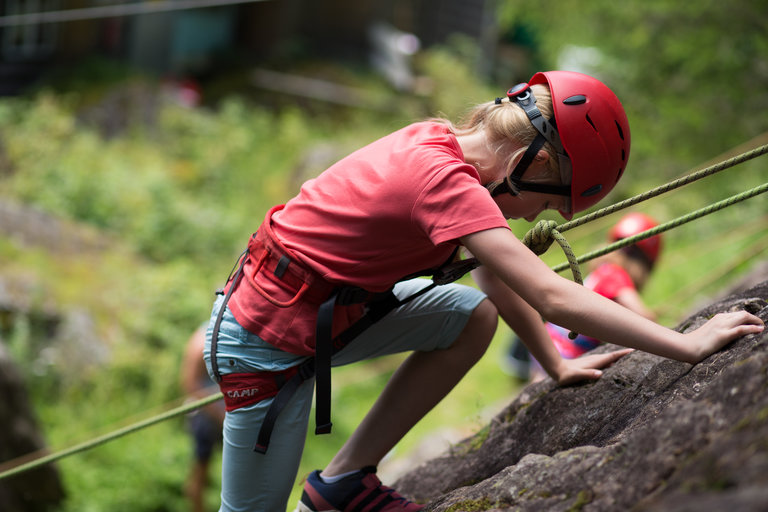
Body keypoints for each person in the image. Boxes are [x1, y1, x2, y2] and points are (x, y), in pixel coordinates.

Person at [202, 70, 764, 512]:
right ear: (534, 161)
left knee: (471, 316)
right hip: (264, 345)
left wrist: (555, 363)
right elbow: (554, 296)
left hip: (317, 317)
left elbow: (492, 274)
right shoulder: (444, 182)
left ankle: (343, 482)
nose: (536, 216)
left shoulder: (440, 141)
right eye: (546, 201)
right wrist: (686, 344)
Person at [506, 212, 663, 382]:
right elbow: (641, 315)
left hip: (550, 339)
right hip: (568, 350)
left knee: (540, 386)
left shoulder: (604, 268)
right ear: (646, 262)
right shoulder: (616, 275)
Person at [181, 325, 225, 512]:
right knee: (200, 472)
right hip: (206, 418)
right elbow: (190, 383)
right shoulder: (202, 340)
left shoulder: (226, 331)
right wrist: (219, 414)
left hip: (226, 416)